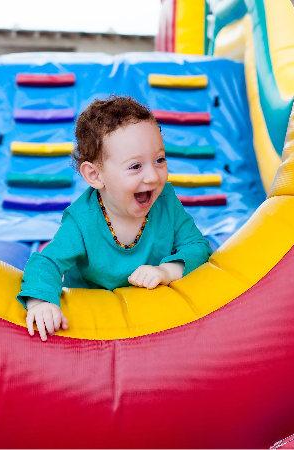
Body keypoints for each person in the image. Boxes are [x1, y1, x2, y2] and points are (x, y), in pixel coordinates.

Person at [17, 95, 213, 341]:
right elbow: (47, 262)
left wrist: (167, 270)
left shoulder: (165, 202)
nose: (153, 176)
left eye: (159, 160)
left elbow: (197, 246)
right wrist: (41, 303)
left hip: (149, 317)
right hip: (95, 321)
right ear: (95, 175)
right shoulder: (82, 221)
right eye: (135, 166)